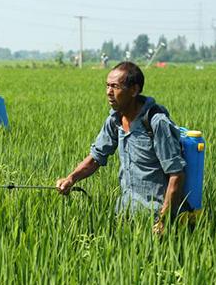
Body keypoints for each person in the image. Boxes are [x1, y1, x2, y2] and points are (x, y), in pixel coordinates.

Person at [56, 61, 186, 235]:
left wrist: (163, 221)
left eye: (115, 87)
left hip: (155, 217)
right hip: (125, 213)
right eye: (107, 86)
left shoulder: (156, 122)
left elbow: (176, 174)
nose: (109, 92)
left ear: (134, 90)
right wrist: (71, 179)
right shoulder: (115, 120)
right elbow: (96, 157)